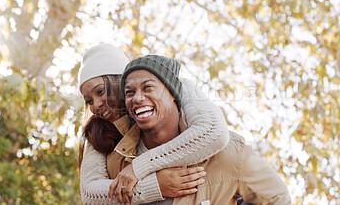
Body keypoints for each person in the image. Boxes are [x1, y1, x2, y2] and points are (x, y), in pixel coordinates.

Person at [108, 54, 292, 204]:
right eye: (129, 92)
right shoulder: (120, 159)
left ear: (173, 94)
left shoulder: (228, 154)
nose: (137, 98)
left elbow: (278, 198)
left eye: (148, 88)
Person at [78, 44, 230, 204]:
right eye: (89, 101)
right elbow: (90, 193)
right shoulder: (97, 131)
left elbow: (214, 131)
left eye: (100, 91)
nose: (95, 105)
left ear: (120, 81)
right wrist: (154, 186)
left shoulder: (175, 86)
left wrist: (139, 167)